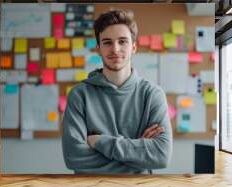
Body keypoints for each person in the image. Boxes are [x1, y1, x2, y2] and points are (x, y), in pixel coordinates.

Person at [62, 9, 172, 174]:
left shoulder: (153, 94)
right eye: (107, 42)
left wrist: (99, 141)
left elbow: (161, 155)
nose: (115, 49)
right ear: (98, 48)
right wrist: (138, 154)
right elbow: (73, 157)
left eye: (122, 41)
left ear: (134, 47)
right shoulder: (79, 95)